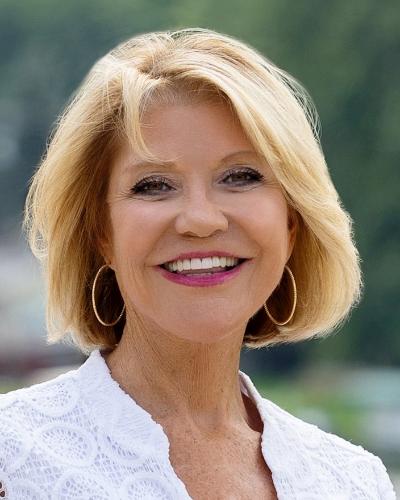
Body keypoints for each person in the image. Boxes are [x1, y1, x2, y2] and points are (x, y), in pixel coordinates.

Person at [0, 28, 396, 499]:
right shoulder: (11, 459)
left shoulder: (356, 482)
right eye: (153, 185)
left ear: (292, 222)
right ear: (102, 234)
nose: (201, 220)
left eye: (240, 176)